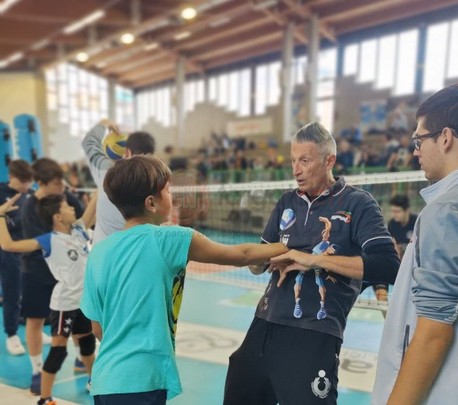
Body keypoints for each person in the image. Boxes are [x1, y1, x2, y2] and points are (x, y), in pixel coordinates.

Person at [80, 155, 289, 404]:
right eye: (167, 191)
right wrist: (290, 247)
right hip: (142, 379)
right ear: (151, 203)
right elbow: (240, 254)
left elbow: (97, 328)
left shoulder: (99, 251)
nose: (173, 197)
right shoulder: (169, 239)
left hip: (105, 380)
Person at [223, 122, 400, 405]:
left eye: (304, 161)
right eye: (293, 161)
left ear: (329, 160)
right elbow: (258, 262)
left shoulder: (359, 203)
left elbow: (389, 265)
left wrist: (313, 260)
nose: (296, 170)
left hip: (314, 334)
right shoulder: (287, 201)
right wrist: (262, 260)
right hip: (263, 326)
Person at [372, 82, 458, 405]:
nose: (415, 150)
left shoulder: (450, 210)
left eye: (419, 139)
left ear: (445, 138)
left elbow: (433, 334)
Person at [0, 191, 98, 405]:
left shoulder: (80, 230)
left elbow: (96, 201)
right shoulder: (49, 240)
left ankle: (95, 382)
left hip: (84, 301)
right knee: (58, 350)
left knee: (88, 343)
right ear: (58, 217)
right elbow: (9, 245)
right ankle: (45, 398)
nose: (73, 208)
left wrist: (107, 170)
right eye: (67, 207)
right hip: (65, 305)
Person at [20, 158, 85, 395]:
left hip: (67, 275)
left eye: (61, 183)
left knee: (78, 318)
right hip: (37, 272)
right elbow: (42, 244)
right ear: (40, 183)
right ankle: (37, 371)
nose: (61, 188)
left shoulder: (65, 198)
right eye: (56, 184)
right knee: (35, 320)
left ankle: (81, 359)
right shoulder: (29, 209)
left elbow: (81, 218)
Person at [82, 118, 155, 244]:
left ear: (127, 152)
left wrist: (105, 123)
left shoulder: (108, 172)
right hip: (136, 253)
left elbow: (89, 142)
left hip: (104, 255)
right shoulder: (158, 183)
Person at [0, 159, 33, 355]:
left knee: (29, 291)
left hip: (25, 249)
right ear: (12, 177)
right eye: (23, 181)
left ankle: (32, 327)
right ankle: (11, 335)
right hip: (5, 250)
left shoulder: (28, 195)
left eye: (29, 181)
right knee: (11, 293)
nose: (26, 185)